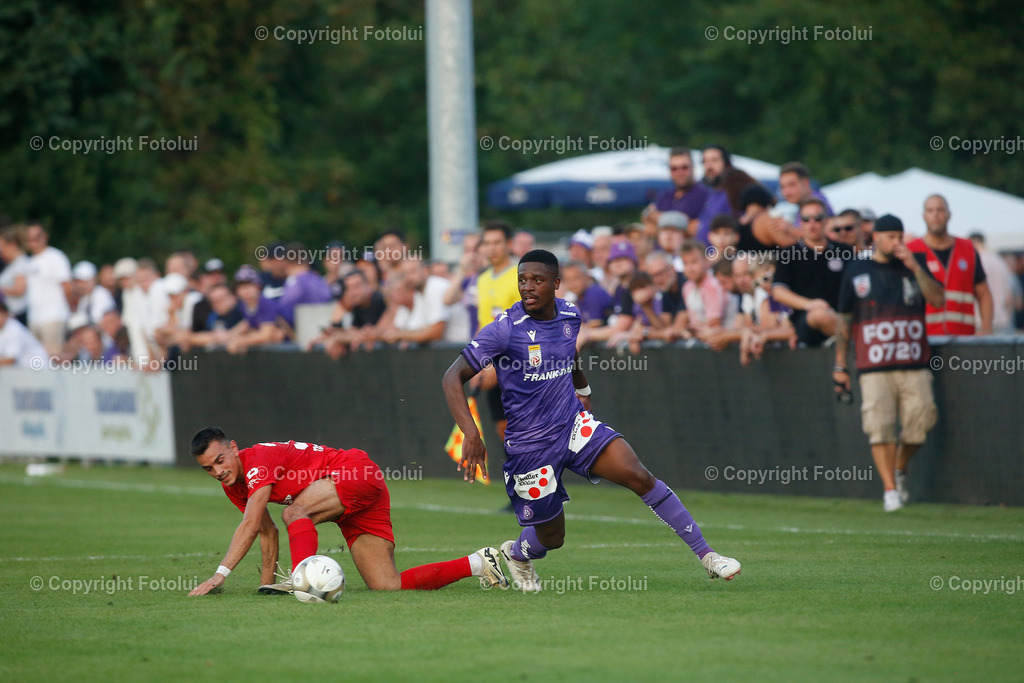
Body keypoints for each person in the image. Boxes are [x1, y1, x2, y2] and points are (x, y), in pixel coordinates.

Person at [441, 249, 741, 593]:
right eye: (522, 280)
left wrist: (582, 389)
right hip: (529, 446)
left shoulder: (569, 314)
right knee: (552, 538)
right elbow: (451, 377)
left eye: (537, 280)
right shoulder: (505, 329)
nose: (528, 287)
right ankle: (518, 554)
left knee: (638, 475)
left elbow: (570, 353)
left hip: (573, 425)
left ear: (555, 284)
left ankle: (708, 556)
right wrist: (471, 433)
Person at [187, 427, 507, 596]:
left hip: (353, 473)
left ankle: (303, 581)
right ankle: (479, 563)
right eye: (208, 469)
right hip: (352, 501)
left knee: (295, 513)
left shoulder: (257, 461)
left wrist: (221, 574)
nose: (218, 471)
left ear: (233, 448)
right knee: (386, 585)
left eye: (220, 460)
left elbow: (252, 520)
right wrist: (266, 584)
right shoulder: (233, 484)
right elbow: (265, 531)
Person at [833, 215, 944, 512]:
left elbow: (939, 299)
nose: (897, 242)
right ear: (876, 238)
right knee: (879, 427)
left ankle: (899, 466)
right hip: (873, 365)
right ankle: (890, 489)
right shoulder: (857, 269)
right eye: (890, 236)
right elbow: (843, 319)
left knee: (922, 423)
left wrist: (915, 267)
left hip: (913, 362)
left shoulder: (915, 263)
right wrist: (840, 365)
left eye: (900, 236)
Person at [772, 197, 854, 347]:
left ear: (826, 221)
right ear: (800, 223)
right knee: (820, 315)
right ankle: (855, 343)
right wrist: (809, 304)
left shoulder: (844, 250)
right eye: (806, 219)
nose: (812, 223)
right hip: (807, 321)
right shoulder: (789, 253)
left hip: (842, 315)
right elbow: (778, 291)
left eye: (817, 218)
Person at [906, 195, 992, 336]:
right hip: (925, 336)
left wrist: (987, 329)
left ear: (948, 214)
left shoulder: (968, 249)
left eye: (940, 210)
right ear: (924, 215)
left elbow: (984, 294)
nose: (935, 215)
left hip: (963, 335)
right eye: (930, 210)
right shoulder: (912, 250)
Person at [24, 223, 72, 356]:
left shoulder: (55, 257)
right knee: (36, 359)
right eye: (30, 238)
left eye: (37, 236)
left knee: (53, 358)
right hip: (35, 318)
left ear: (45, 236)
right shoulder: (30, 262)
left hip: (53, 317)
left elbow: (67, 287)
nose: (34, 241)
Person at [647, 147, 708, 236]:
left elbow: (697, 229)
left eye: (684, 167)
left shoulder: (704, 195)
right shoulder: (665, 195)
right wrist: (683, 224)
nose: (679, 172)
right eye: (674, 168)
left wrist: (657, 217)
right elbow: (648, 229)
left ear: (693, 168)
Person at [0, 297, 48, 368]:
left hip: (37, 370)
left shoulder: (14, 329)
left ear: (6, 314)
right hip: (21, 373)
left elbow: (11, 360)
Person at [0, 225, 31, 326]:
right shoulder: (12, 265)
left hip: (19, 314)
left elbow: (19, 290)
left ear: (12, 245)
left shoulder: (20, 263)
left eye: (2, 249)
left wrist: (2, 289)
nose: (1, 253)